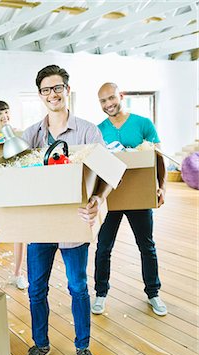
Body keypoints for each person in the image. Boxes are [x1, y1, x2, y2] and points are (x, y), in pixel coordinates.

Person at [17, 65, 112, 355]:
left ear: (67, 90)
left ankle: (83, 346)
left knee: (77, 286)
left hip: (73, 222)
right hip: (40, 225)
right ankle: (40, 344)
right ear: (41, 95)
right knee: (35, 289)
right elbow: (8, 177)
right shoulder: (31, 135)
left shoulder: (87, 131)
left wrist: (98, 199)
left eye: (57, 88)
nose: (52, 94)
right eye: (46, 90)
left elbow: (109, 172)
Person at [92, 82, 167, 317]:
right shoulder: (98, 130)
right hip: (110, 197)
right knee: (103, 247)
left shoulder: (143, 123)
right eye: (103, 101)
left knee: (147, 246)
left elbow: (158, 158)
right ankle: (100, 293)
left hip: (139, 196)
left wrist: (162, 187)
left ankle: (153, 293)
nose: (108, 104)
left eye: (111, 98)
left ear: (121, 96)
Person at [0, 97, 28, 290]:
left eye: (6, 112)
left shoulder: (18, 134)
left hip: (18, 188)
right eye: (0, 113)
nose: (4, 116)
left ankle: (17, 273)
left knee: (20, 233)